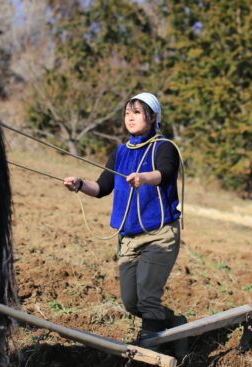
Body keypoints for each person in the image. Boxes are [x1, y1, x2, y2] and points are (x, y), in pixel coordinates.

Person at [63, 92, 181, 341]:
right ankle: (176, 326)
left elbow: (167, 172)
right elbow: (102, 187)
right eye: (127, 112)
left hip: (159, 235)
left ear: (153, 116)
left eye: (136, 112)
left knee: (148, 297)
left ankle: (150, 350)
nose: (130, 117)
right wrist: (80, 184)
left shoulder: (164, 147)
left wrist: (144, 177)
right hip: (128, 238)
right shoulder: (120, 152)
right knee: (131, 302)